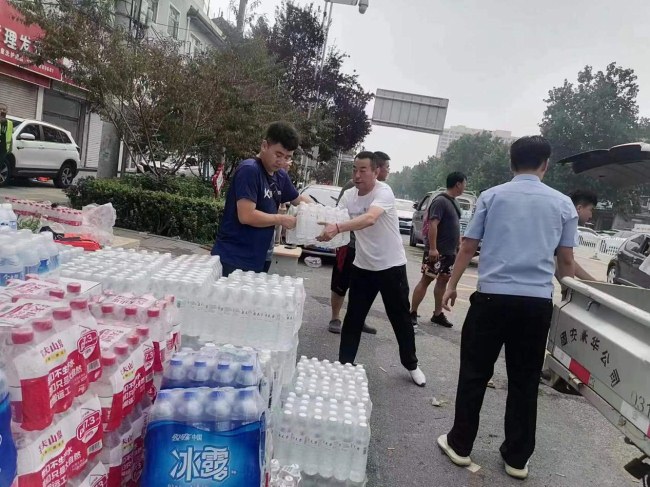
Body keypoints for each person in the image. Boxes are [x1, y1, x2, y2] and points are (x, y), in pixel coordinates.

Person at [436, 136, 577, 480]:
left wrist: (451, 285)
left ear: (511, 163)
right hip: (535, 304)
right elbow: (566, 261)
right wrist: (572, 301)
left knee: (474, 373)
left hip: (491, 300)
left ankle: (460, 444)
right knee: (525, 380)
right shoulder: (563, 204)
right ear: (545, 164)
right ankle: (517, 457)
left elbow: (468, 247)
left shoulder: (492, 196)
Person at [317, 151, 426, 387]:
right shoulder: (349, 196)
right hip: (363, 267)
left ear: (376, 172)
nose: (357, 175)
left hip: (391, 266)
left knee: (400, 319)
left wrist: (337, 227)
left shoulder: (383, 192)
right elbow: (334, 217)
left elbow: (369, 219)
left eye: (363, 170)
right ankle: (344, 365)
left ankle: (411, 364)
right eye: (354, 169)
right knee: (353, 319)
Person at [212, 121, 312, 276]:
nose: (282, 162)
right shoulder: (250, 170)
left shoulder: (280, 175)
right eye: (278, 155)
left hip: (260, 256)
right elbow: (246, 216)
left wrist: (320, 212)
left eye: (287, 157)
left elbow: (297, 199)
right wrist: (281, 219)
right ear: (265, 146)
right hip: (234, 257)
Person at [328, 151, 391, 335]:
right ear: (377, 169)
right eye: (387, 167)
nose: (388, 171)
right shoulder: (353, 187)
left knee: (362, 287)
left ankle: (358, 318)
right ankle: (335, 317)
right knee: (341, 283)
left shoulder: (383, 191)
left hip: (369, 250)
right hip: (349, 244)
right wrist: (338, 230)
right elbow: (339, 213)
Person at [409, 172, 467, 329]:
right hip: (437, 252)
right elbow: (433, 224)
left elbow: (454, 225)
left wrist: (458, 244)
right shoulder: (440, 201)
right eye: (464, 183)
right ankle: (412, 312)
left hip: (449, 252)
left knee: (443, 281)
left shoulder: (453, 202)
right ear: (458, 184)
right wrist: (433, 248)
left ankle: (437, 314)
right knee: (426, 280)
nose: (465, 187)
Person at [566, 189, 599, 281]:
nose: (591, 216)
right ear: (579, 208)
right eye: (591, 210)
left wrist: (593, 282)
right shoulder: (566, 225)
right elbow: (566, 260)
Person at [0, 103, 13, 180]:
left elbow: (10, 136)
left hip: (3, 148)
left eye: (4, 110)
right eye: (0, 109)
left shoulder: (10, 123)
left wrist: (10, 148)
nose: (2, 111)